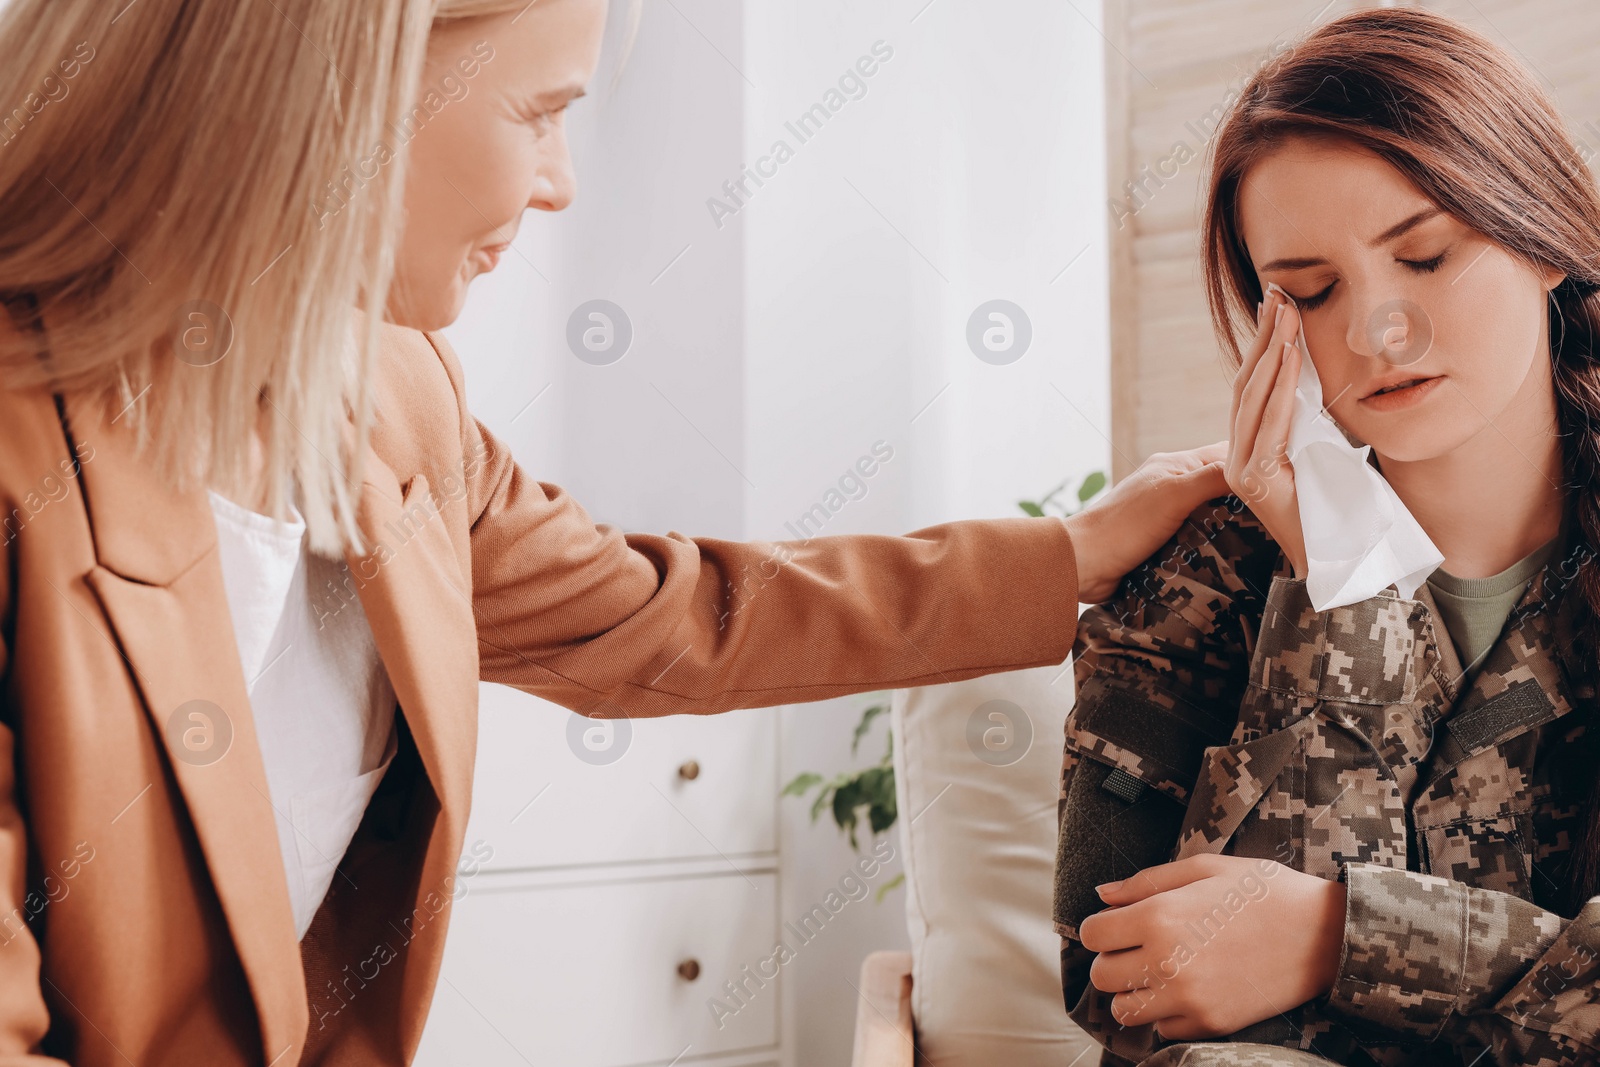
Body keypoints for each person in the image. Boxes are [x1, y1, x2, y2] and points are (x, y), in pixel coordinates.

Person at [0, 1, 1224, 1063]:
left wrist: (1070, 555)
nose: (559, 181)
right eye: (540, 111)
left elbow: (674, 618)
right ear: (341, 91)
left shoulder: (396, 398)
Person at [1054, 8, 1600, 1067]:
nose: (1376, 332)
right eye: (1309, 291)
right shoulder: (1200, 575)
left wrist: (1336, 938)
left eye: (1427, 255)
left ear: (1541, 233)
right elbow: (1127, 984)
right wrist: (1344, 595)